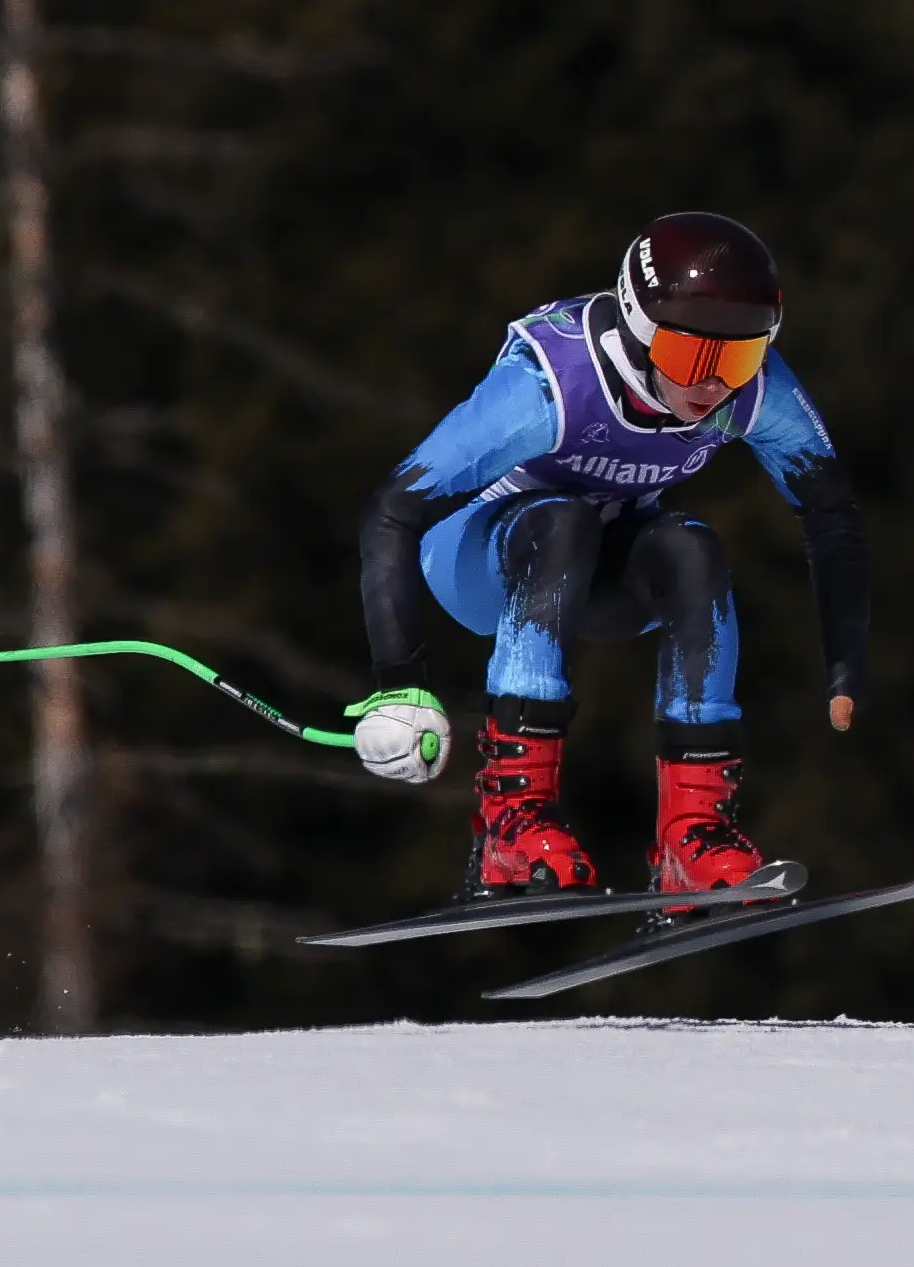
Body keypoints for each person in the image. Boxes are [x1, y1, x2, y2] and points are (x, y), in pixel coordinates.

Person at [348, 211, 867, 899]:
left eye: (737, 359)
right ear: (639, 329)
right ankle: (511, 818)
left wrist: (844, 667)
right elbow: (394, 508)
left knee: (691, 547)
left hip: (595, 572)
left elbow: (831, 514)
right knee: (561, 523)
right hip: (477, 562)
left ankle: (693, 834)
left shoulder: (755, 392)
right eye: (691, 358)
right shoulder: (552, 385)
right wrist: (399, 680)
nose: (711, 386)